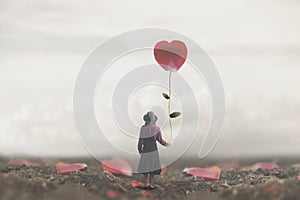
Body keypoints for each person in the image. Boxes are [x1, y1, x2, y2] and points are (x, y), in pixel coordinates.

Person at [137, 111, 171, 189]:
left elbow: (140, 141)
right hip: (153, 148)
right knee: (152, 167)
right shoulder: (157, 128)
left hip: (146, 148)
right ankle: (151, 184)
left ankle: (145, 184)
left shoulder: (143, 128)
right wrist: (168, 144)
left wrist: (140, 150)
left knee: (145, 167)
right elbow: (160, 140)